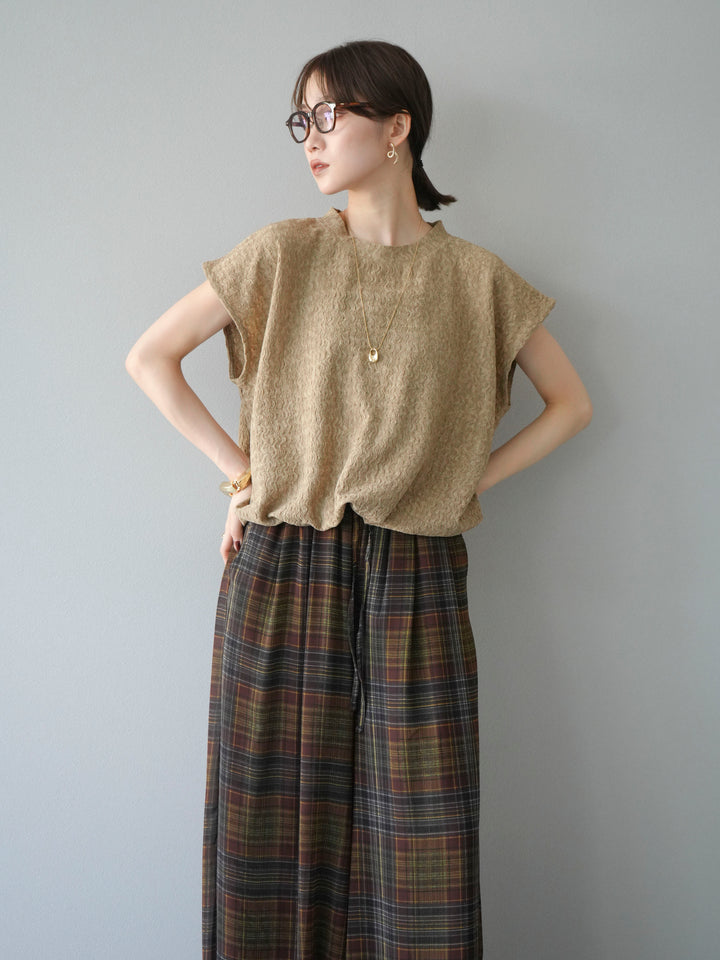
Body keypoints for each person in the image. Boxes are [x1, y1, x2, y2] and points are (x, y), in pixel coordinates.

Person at [126, 38, 591, 960]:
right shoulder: (280, 254)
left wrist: (460, 481)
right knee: (269, 828)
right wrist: (243, 476)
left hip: (417, 575)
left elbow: (572, 406)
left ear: (397, 127)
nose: (311, 136)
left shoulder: (479, 279)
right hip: (283, 566)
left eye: (329, 114)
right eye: (301, 118)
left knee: (423, 839)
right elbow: (150, 358)